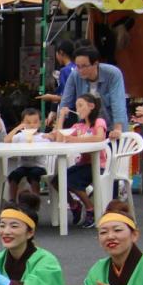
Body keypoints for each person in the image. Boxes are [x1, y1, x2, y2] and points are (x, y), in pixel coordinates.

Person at [50, 92, 108, 229]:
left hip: (97, 164)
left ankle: (90, 210)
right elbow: (60, 138)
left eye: (81, 105)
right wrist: (62, 116)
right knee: (57, 181)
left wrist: (74, 139)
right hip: (83, 164)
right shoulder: (78, 126)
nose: (78, 109)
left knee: (72, 182)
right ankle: (74, 205)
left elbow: (99, 138)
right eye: (76, 106)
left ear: (91, 106)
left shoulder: (99, 122)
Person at [58, 45, 127, 140]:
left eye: (84, 66)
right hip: (87, 129)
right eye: (78, 66)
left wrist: (117, 129)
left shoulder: (112, 74)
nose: (80, 70)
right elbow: (65, 102)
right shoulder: (75, 75)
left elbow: (118, 102)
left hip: (111, 128)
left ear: (95, 64)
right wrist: (56, 129)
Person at [3, 108, 46, 201]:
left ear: (40, 123)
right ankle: (12, 201)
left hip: (39, 166)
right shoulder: (20, 136)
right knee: (13, 175)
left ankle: (35, 201)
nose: (31, 125)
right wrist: (18, 128)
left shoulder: (42, 136)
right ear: (23, 123)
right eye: (28, 122)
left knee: (34, 175)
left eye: (35, 122)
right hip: (23, 166)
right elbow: (6, 140)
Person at [39, 39, 76, 105]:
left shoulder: (65, 70)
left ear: (61, 52)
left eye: (56, 53)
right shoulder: (77, 67)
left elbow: (66, 97)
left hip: (68, 110)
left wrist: (51, 97)